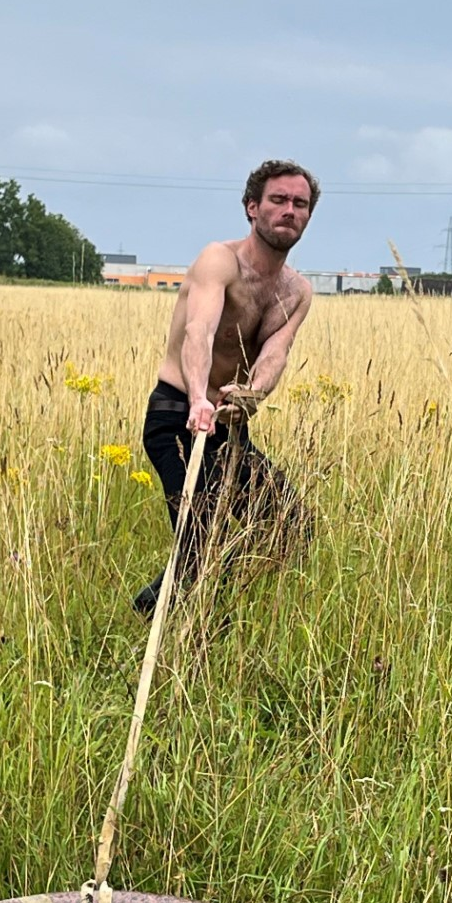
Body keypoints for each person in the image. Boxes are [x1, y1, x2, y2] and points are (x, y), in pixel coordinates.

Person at [133, 160, 318, 617]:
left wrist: (252, 394)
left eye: (300, 203)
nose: (289, 211)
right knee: (200, 534)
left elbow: (276, 352)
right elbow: (200, 330)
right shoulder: (220, 260)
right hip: (178, 413)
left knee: (289, 526)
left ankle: (170, 601)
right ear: (252, 208)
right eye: (278, 200)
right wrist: (199, 395)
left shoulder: (297, 291)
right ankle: (188, 624)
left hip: (229, 425)